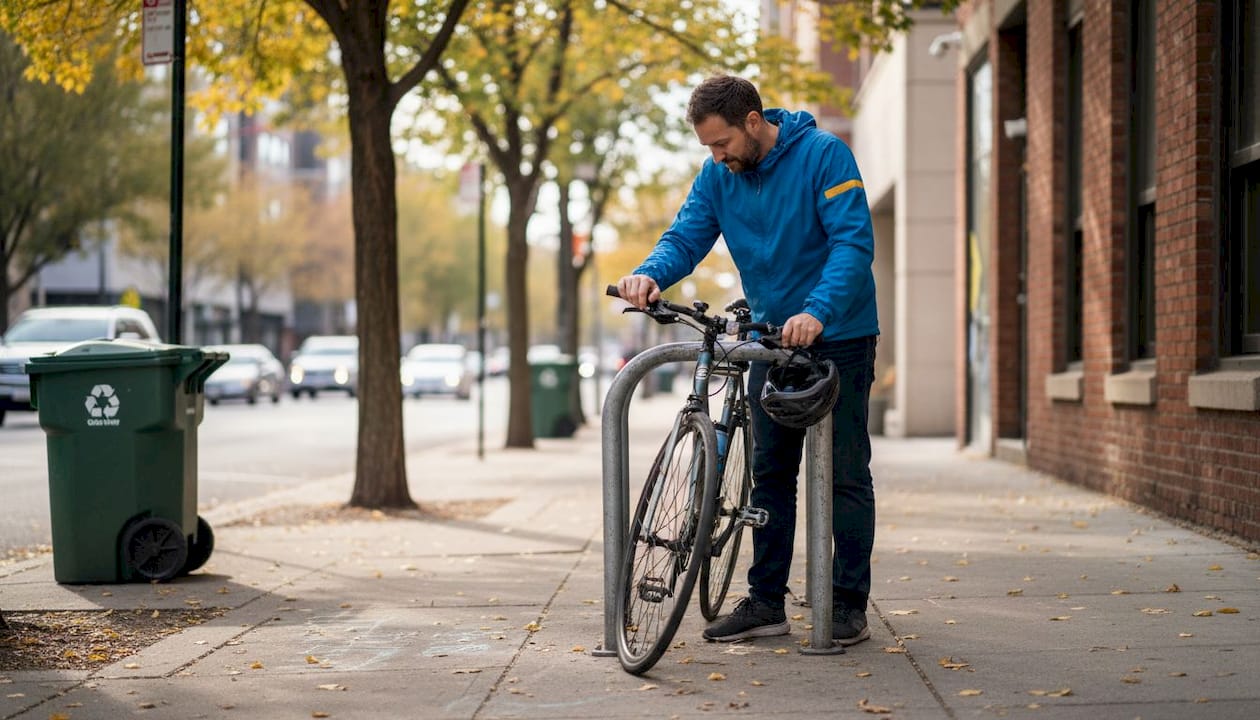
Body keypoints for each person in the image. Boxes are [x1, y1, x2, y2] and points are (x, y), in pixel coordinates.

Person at [616, 75, 878, 647]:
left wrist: (818, 311)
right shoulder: (717, 176)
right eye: (708, 147)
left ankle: (847, 605)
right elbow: (685, 237)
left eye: (722, 143)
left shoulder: (824, 156)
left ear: (753, 122)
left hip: (838, 333)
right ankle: (766, 602)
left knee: (845, 474)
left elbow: (853, 242)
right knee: (771, 476)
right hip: (769, 338)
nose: (716, 156)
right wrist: (650, 274)